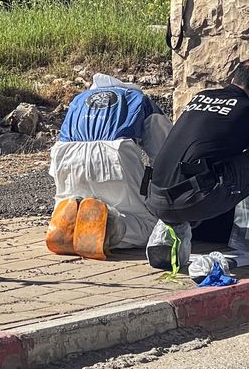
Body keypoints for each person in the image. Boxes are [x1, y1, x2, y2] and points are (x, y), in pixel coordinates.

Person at [144, 58, 249, 266]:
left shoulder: (201, 97)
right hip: (196, 200)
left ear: (234, 78)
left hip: (156, 198)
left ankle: (167, 241)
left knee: (194, 169)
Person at [46, 74, 172, 260]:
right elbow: (165, 151)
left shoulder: (78, 99)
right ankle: (109, 228)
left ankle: (67, 228)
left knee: (72, 205)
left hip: (65, 155)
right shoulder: (139, 99)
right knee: (149, 227)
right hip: (113, 154)